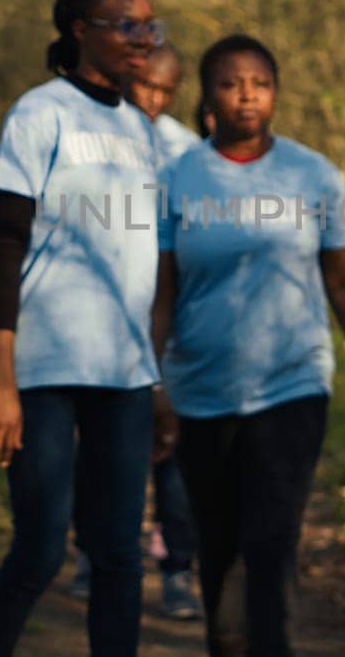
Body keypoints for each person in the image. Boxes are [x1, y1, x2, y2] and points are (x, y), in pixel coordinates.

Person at [151, 34, 345, 656]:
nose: (246, 94)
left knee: (270, 541)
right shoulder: (176, 178)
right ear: (208, 96)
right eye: (230, 82)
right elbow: (161, 293)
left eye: (260, 83)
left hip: (292, 385)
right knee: (218, 546)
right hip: (200, 391)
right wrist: (152, 383)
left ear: (276, 94)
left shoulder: (313, 174)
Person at [0, 0, 177, 656]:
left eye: (149, 25)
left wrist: (159, 377)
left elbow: (149, 263)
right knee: (39, 551)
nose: (141, 38)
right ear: (80, 31)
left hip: (124, 374)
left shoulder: (144, 134)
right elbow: (6, 246)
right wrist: (1, 384)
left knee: (120, 556)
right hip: (46, 368)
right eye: (125, 23)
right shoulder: (41, 112)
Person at [68, 44, 204, 621]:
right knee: (101, 448)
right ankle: (91, 552)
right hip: (104, 320)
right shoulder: (91, 139)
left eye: (164, 91)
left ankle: (177, 570)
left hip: (170, 324)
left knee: (172, 459)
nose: (151, 99)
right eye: (143, 86)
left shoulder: (187, 152)